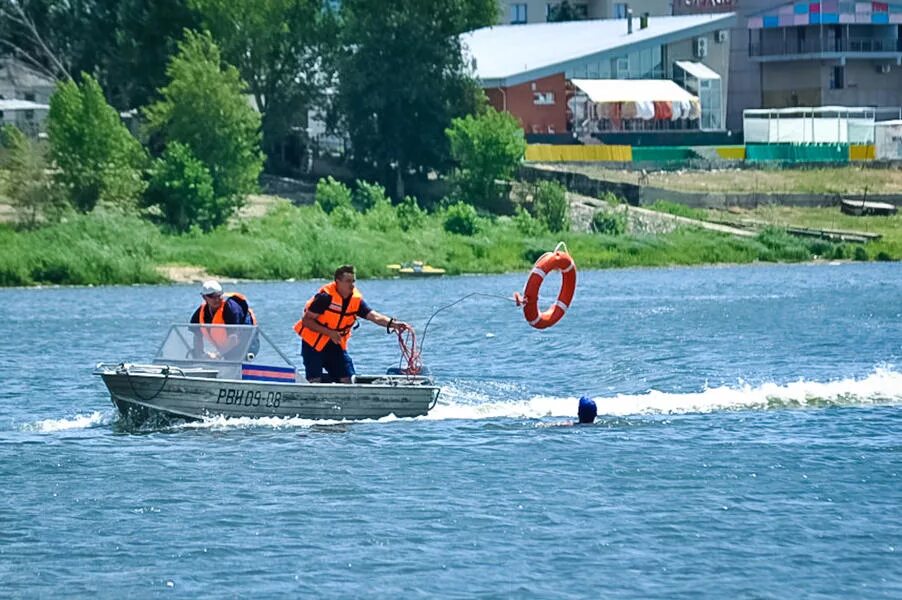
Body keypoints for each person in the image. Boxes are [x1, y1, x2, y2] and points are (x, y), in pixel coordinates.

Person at [294, 264, 410, 383]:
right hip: (313, 344)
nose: (352, 285)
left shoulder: (355, 301)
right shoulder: (325, 298)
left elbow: (374, 316)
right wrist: (329, 332)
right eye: (348, 281)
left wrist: (393, 324)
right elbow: (306, 321)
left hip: (334, 344)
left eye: (353, 281)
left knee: (349, 380)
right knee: (315, 380)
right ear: (337, 282)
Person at [191, 280, 257, 360]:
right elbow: (197, 336)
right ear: (204, 297)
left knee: (236, 360)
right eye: (212, 296)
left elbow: (234, 338)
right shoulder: (200, 312)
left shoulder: (231, 308)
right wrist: (200, 355)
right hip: (226, 349)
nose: (217, 299)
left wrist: (217, 355)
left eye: (219, 295)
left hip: (247, 344)